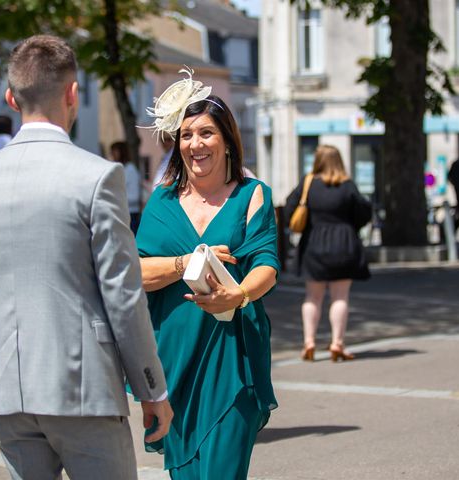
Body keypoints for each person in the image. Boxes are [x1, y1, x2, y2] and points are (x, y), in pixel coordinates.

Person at [0, 34, 173, 480]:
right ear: (73, 93)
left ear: (12, 98)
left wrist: (2, 349)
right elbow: (123, 296)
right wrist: (151, 388)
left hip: (9, 386)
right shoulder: (96, 177)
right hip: (83, 385)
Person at [137, 68, 280, 479]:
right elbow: (136, 273)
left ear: (227, 140)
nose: (195, 144)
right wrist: (186, 262)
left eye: (206, 133)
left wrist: (237, 296)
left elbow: (266, 266)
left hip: (232, 356)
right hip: (174, 360)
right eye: (186, 135)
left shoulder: (253, 196)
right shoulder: (161, 202)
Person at [284, 145, 372, 362]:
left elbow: (288, 211)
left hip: (314, 244)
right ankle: (337, 343)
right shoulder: (347, 185)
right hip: (344, 244)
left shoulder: (308, 183)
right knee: (340, 297)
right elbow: (363, 213)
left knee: (312, 297)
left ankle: (309, 342)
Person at [110, 141, 141, 233]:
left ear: (121, 152)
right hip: (121, 213)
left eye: (114, 152)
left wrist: (115, 198)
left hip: (130, 214)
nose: (112, 155)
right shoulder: (120, 169)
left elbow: (135, 196)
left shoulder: (131, 169)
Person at [448, 154, 459, 232]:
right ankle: (450, 231)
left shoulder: (456, 163)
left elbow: (449, 177)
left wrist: (456, 185)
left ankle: (450, 231)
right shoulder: (458, 164)